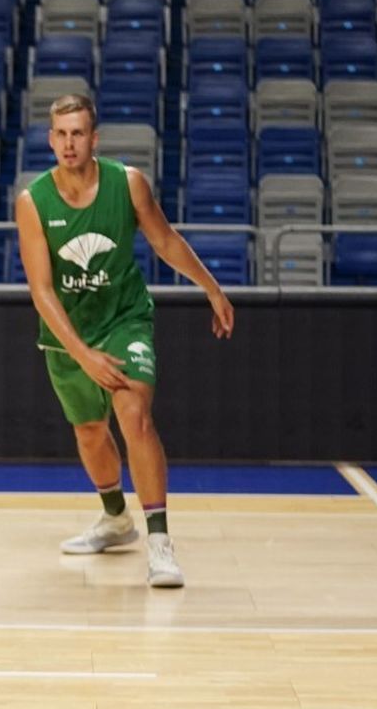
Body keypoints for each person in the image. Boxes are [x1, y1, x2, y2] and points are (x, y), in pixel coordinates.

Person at [15, 94, 235, 588]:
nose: (69, 143)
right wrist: (84, 355)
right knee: (90, 432)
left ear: (94, 139)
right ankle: (116, 519)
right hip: (68, 335)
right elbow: (41, 290)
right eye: (61, 134)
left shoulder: (127, 182)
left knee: (133, 413)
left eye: (78, 134)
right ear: (51, 139)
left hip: (125, 319)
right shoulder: (32, 202)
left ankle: (159, 540)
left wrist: (211, 288)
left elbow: (166, 240)